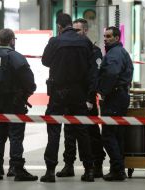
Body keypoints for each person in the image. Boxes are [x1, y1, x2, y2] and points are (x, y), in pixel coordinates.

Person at [40, 13, 97, 183]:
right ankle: (89, 171)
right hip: (78, 92)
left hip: (58, 92)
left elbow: (45, 61)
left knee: (54, 130)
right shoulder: (85, 42)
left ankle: (50, 171)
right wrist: (89, 95)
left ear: (59, 26)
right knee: (82, 131)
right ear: (71, 24)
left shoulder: (55, 41)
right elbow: (91, 69)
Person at [0, 28, 38, 181]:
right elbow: (29, 81)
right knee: (15, 136)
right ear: (12, 40)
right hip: (14, 104)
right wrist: (26, 93)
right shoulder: (16, 57)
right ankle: (17, 170)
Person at [56, 18, 106, 178]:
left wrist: (90, 99)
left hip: (87, 99)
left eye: (77, 30)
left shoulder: (93, 50)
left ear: (85, 31)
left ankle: (96, 165)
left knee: (91, 133)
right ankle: (68, 164)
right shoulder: (74, 49)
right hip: (73, 98)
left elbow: (94, 77)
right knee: (69, 132)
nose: (74, 33)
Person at [97, 26, 133, 181]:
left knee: (108, 134)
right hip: (120, 95)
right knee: (117, 135)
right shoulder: (119, 52)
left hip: (114, 97)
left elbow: (111, 73)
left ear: (117, 38)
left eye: (109, 36)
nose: (105, 39)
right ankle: (117, 168)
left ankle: (117, 170)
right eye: (104, 36)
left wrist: (103, 91)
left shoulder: (114, 53)